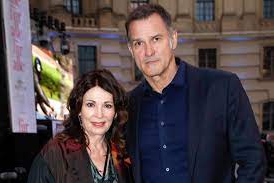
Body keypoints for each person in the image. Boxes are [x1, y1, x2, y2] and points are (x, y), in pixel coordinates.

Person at [125, 3, 266, 183]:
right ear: (131, 50)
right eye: (139, 43)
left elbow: (253, 161)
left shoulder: (221, 88)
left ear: (173, 39)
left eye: (156, 39)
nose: (148, 51)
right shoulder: (129, 105)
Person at [28, 69, 133, 183]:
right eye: (90, 105)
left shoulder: (121, 154)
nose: (99, 114)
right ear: (79, 110)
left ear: (115, 112)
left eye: (107, 106)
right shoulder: (54, 154)